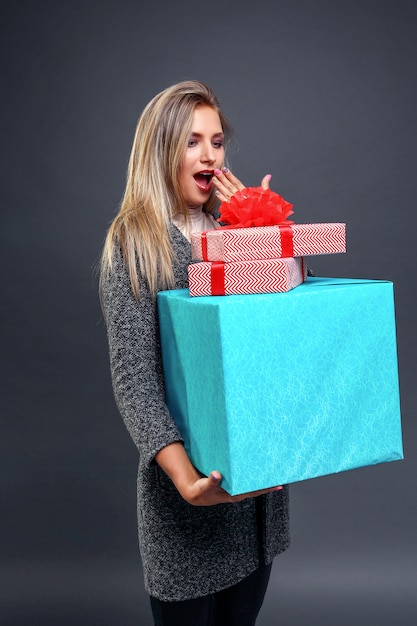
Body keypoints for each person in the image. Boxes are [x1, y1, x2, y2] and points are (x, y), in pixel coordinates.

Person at [100, 80, 290, 626]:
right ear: (161, 150)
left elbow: (283, 330)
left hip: (254, 499)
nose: (209, 155)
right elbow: (136, 379)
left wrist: (260, 226)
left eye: (217, 140)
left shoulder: (235, 232)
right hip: (188, 501)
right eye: (191, 142)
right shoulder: (136, 242)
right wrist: (186, 480)